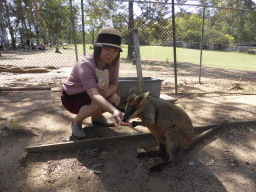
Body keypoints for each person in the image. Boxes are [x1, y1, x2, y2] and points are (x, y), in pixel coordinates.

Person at [61, 27, 130, 139]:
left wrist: (105, 95)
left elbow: (114, 85)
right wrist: (114, 111)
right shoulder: (86, 64)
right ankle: (76, 123)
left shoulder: (114, 62)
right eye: (107, 49)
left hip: (95, 93)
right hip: (72, 97)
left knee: (115, 99)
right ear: (98, 48)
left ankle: (96, 118)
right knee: (98, 103)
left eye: (115, 51)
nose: (111, 54)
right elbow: (94, 95)